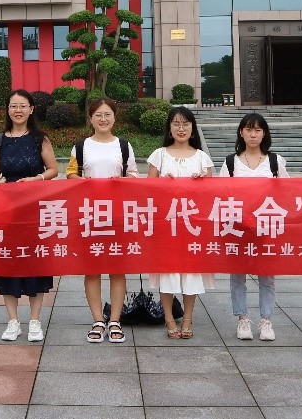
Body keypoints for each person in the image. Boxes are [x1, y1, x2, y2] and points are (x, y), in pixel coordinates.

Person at [0, 89, 59, 342]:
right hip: (6, 210)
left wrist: (36, 179)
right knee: (8, 261)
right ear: (7, 110)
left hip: (34, 209)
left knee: (35, 262)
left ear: (31, 109)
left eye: (23, 106)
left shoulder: (40, 138)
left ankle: (35, 321)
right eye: (13, 106)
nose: (18, 110)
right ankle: (13, 320)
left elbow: (53, 169)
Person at [66, 97, 138, 344]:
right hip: (90, 216)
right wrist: (84, 183)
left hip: (118, 216)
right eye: (98, 115)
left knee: (118, 269)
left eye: (108, 114)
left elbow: (133, 176)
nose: (103, 119)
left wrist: (121, 182)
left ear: (114, 118)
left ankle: (115, 320)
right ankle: (98, 320)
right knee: (92, 269)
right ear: (90, 119)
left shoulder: (124, 146)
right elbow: (71, 175)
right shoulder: (80, 147)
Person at [147, 106, 215, 340]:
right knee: (167, 271)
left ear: (193, 128)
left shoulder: (202, 158)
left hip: (193, 226)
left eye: (185, 124)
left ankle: (187, 318)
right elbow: (148, 191)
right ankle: (169, 318)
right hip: (166, 225)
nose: (181, 128)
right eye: (176, 123)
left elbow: (211, 197)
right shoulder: (159, 155)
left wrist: (201, 182)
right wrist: (162, 184)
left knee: (191, 272)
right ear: (169, 128)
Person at [220, 112, 288, 341]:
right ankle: (242, 319)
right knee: (237, 275)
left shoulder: (275, 161)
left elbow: (288, 191)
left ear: (264, 133)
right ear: (241, 132)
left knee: (267, 276)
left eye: (258, 130)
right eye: (249, 130)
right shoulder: (231, 162)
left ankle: (266, 321)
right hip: (238, 227)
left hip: (267, 226)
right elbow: (221, 194)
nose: (253, 134)